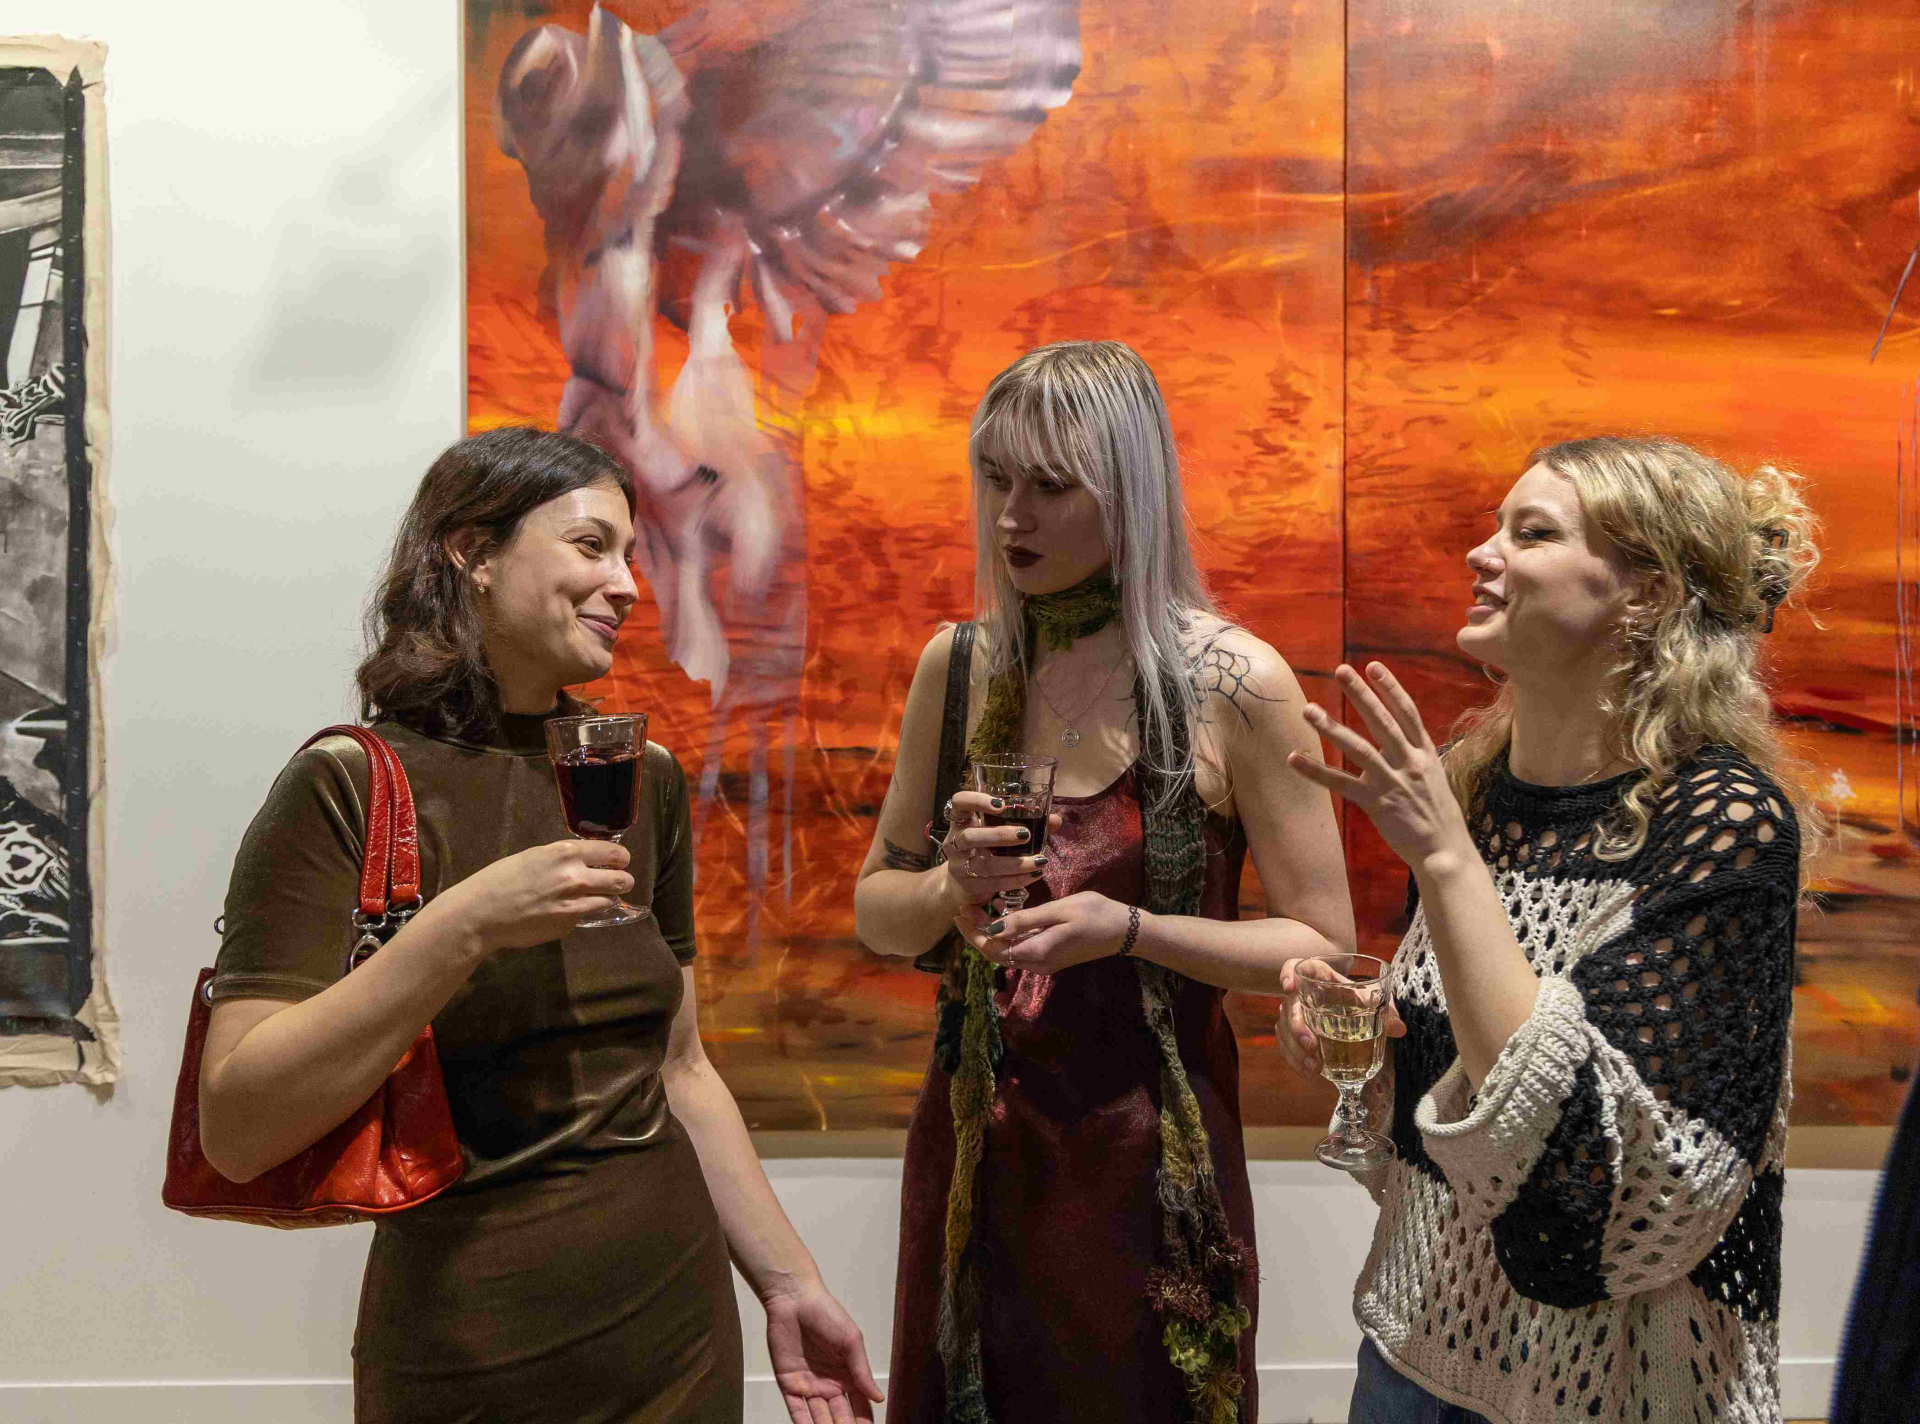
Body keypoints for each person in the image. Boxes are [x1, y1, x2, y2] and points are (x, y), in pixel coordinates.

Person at [197, 427, 881, 1424]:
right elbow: (237, 1125)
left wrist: (789, 1283)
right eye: (592, 545)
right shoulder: (345, 784)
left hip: (676, 1330)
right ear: (473, 552)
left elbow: (680, 1068)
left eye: (633, 556)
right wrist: (463, 926)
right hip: (469, 1343)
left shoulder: (639, 776)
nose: (628, 586)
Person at [853, 340, 1357, 1423]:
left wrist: (1132, 927)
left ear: (1129, 490)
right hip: (976, 1152)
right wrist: (947, 891)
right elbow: (879, 908)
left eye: (1048, 485)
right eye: (995, 478)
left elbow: (1322, 943)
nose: (1010, 517)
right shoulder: (961, 663)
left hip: (1147, 1164)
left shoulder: (1232, 679)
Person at [1277, 436, 1819, 1424]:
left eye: (1530, 533)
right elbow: (1468, 1096)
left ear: (1647, 594)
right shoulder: (1476, 794)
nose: (1482, 554)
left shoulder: (1724, 820)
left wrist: (1445, 857)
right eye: (1495, 527)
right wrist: (1369, 1042)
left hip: (1614, 1389)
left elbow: (1599, 1196)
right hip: (1413, 1351)